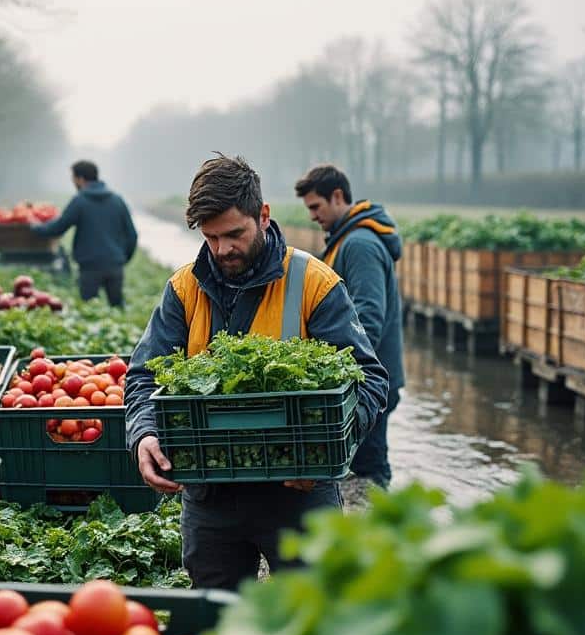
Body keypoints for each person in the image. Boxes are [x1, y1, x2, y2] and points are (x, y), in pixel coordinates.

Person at [124, 154, 390, 590]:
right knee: (213, 618)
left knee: (309, 619)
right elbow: (142, 376)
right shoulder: (183, 288)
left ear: (263, 216)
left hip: (298, 490)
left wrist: (327, 448)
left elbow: (368, 378)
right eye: (211, 238)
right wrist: (145, 434)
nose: (223, 249)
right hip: (210, 493)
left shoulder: (313, 282)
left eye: (234, 234)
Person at [295, 164, 404, 490]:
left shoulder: (359, 245)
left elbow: (368, 316)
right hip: (366, 378)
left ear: (338, 196)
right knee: (361, 463)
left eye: (316, 206)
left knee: (369, 468)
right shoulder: (346, 240)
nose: (313, 216)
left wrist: (347, 372)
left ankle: (381, 521)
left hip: (368, 381)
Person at [30, 160, 138, 308]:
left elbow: (59, 227)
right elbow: (132, 235)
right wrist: (123, 258)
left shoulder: (80, 201)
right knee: (117, 306)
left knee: (88, 310)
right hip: (114, 264)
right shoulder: (117, 200)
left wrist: (35, 227)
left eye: (73, 178)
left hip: (89, 266)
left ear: (80, 179)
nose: (73, 182)